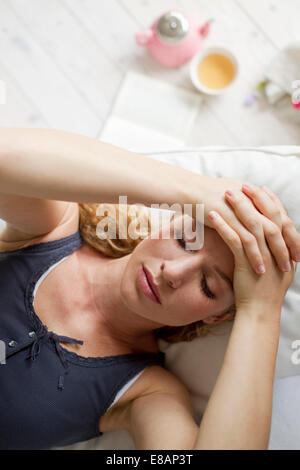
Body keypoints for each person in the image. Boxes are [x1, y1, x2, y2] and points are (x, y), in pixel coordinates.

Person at [0, 128, 297, 450]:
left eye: (208, 286)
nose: (173, 272)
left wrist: (261, 312)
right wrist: (198, 193)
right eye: (185, 241)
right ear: (170, 220)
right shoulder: (54, 229)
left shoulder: (146, 393)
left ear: (217, 317)